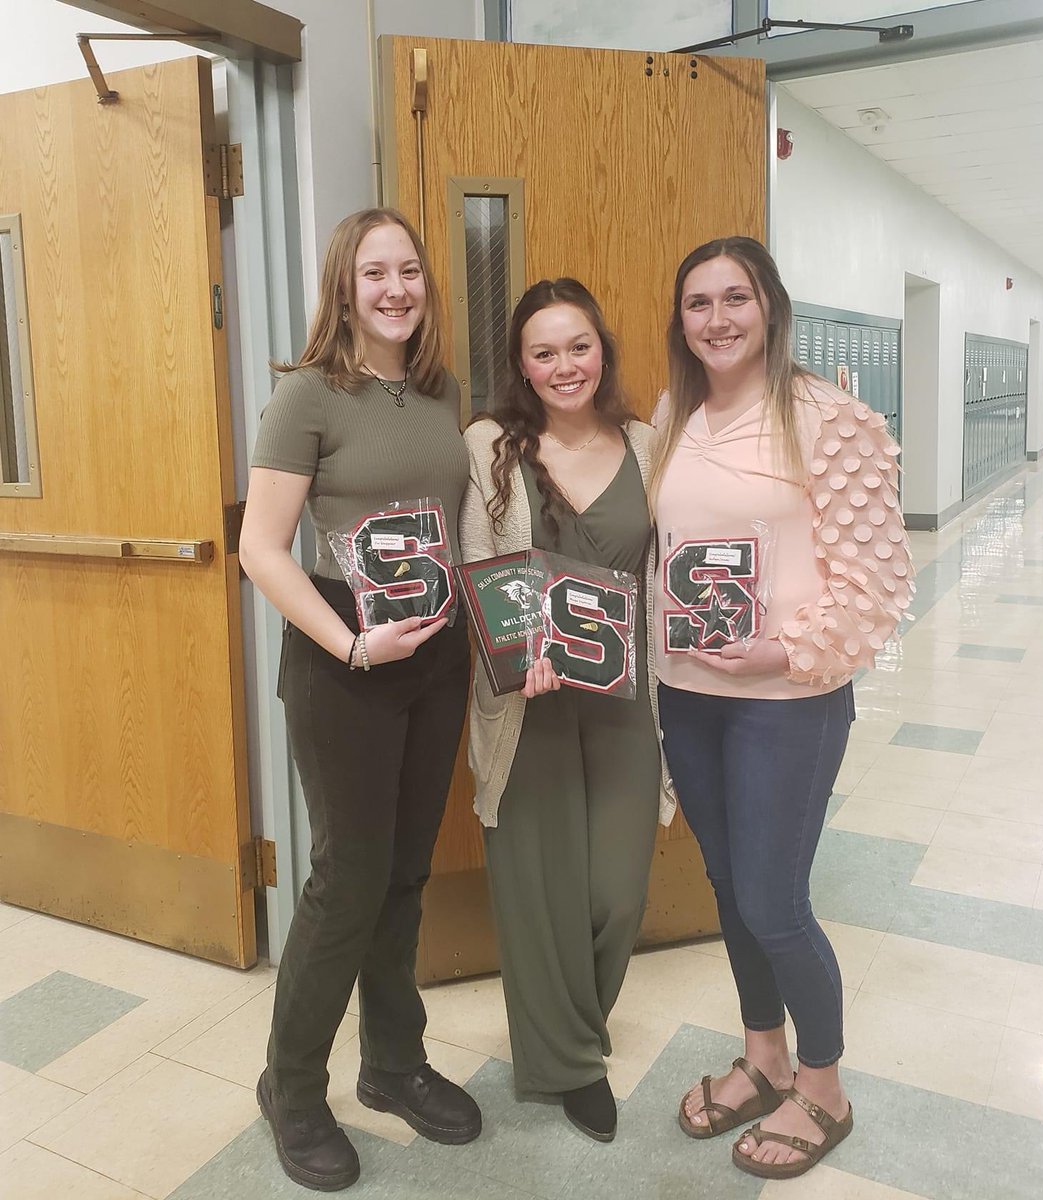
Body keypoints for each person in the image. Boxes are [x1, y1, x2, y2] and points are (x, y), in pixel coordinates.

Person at [650, 237, 913, 1180]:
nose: (717, 319)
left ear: (770, 307)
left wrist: (782, 650)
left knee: (774, 900)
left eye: (736, 297)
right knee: (728, 888)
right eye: (698, 302)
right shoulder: (675, 414)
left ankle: (823, 1086)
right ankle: (763, 1057)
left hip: (785, 701)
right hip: (691, 695)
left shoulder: (828, 419)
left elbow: (876, 583)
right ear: (680, 321)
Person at [239, 207, 481, 1192]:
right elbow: (262, 548)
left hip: (434, 648)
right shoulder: (306, 396)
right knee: (348, 879)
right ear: (344, 286)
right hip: (343, 649)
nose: (395, 289)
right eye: (374, 272)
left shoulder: (439, 390)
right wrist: (349, 642)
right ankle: (293, 1089)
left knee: (405, 874)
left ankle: (392, 1065)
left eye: (409, 270)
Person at [459, 279, 676, 1143]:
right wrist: (516, 658)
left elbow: (671, 568)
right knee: (538, 892)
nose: (564, 366)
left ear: (603, 350)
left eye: (578, 346)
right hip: (530, 706)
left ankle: (578, 1028)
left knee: (615, 894)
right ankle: (571, 1062)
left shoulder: (647, 445)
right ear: (521, 364)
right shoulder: (489, 447)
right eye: (543, 352)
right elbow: (476, 566)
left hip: (626, 703)